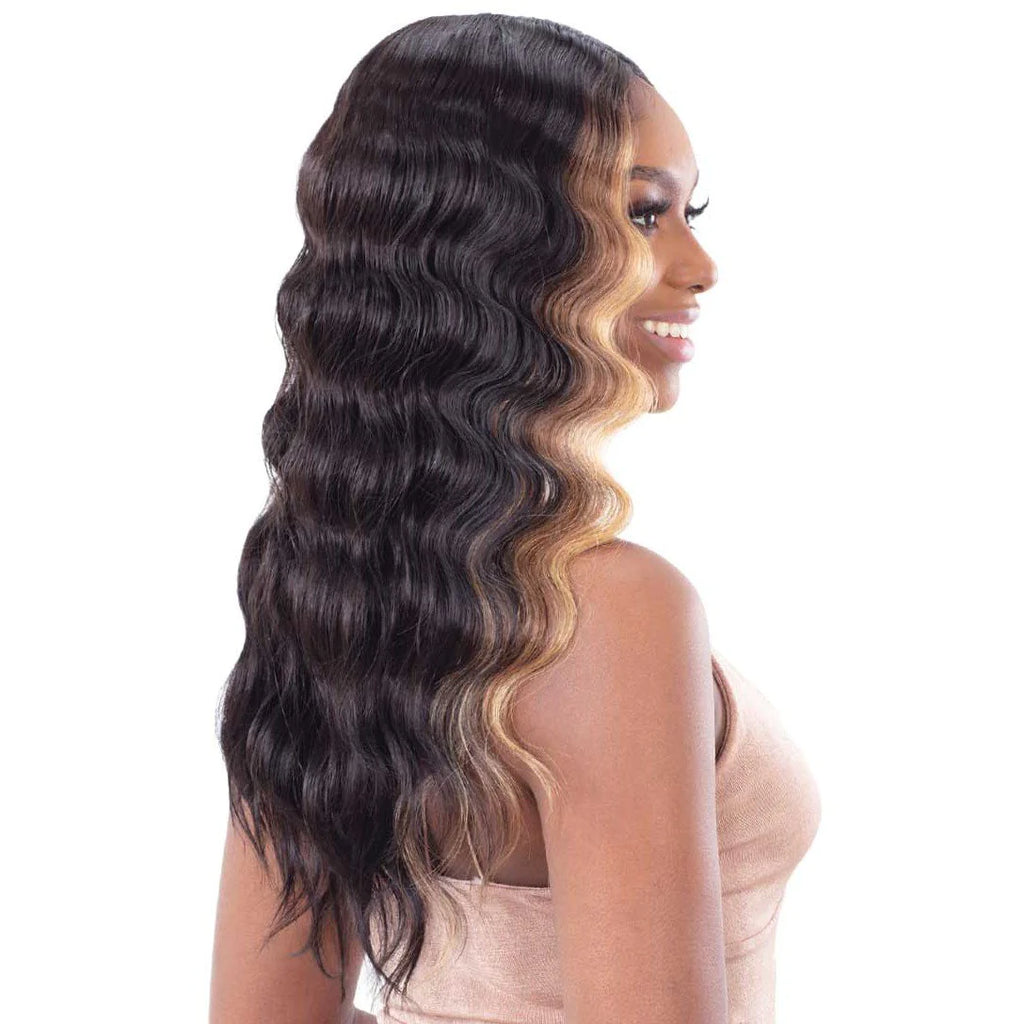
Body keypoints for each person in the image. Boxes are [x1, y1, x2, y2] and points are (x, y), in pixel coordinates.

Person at [209, 14, 821, 1024]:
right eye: (644, 215)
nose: (700, 264)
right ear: (495, 247)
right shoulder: (605, 614)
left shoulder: (327, 583)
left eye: (689, 211)